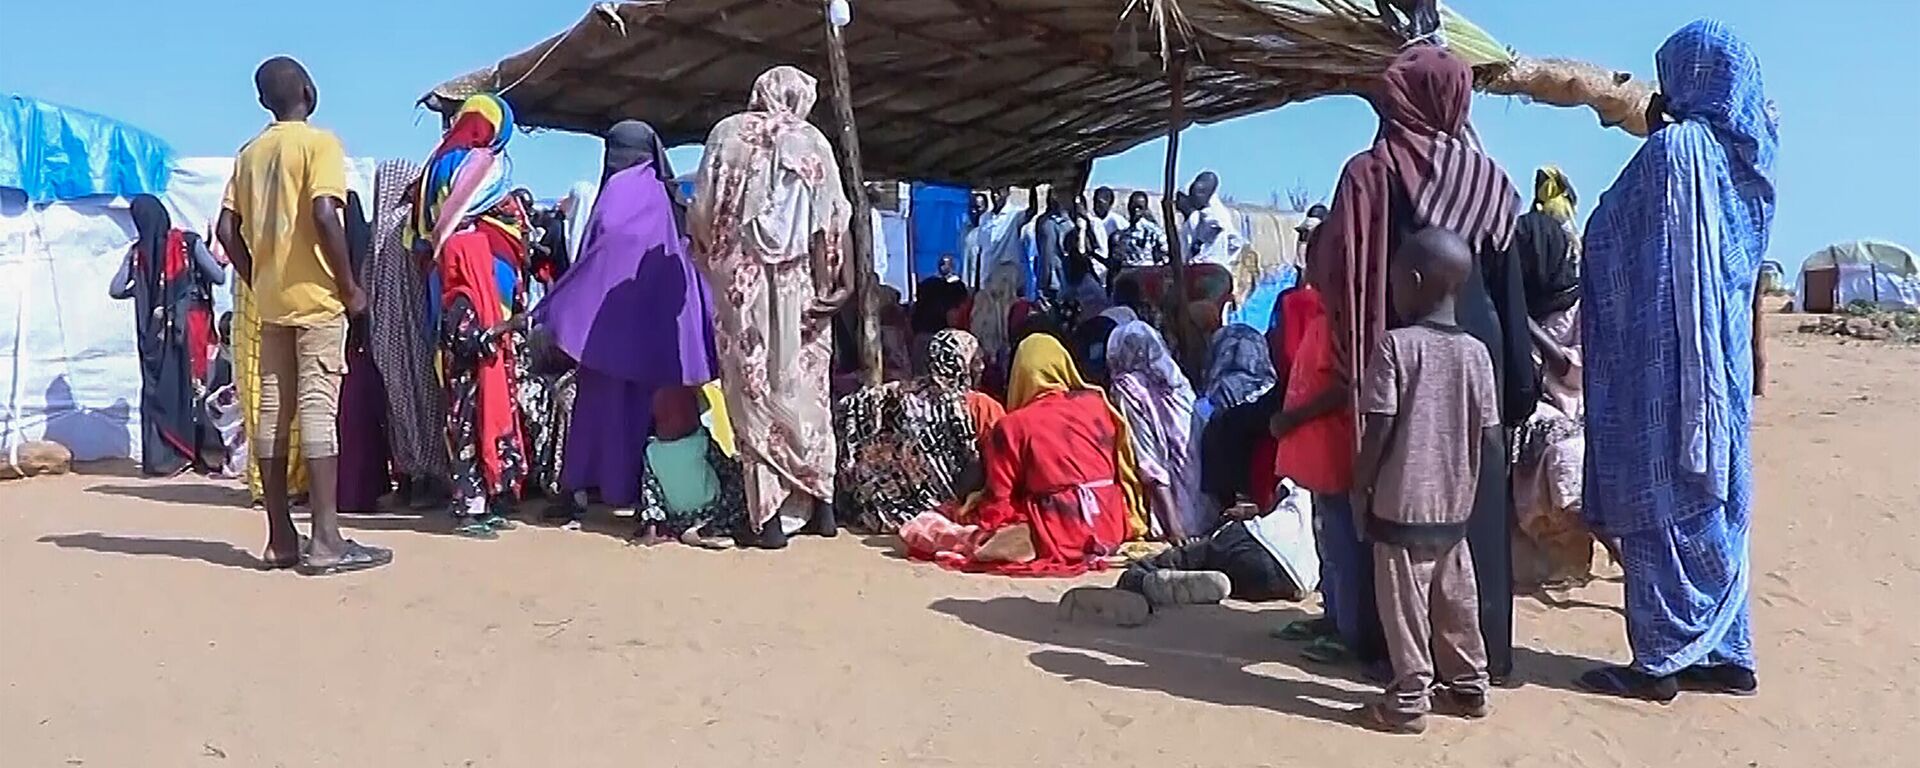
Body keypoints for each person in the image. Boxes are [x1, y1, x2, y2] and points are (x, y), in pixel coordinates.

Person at [1277, 45, 1533, 679]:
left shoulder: (1372, 173)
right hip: (1480, 346)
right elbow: (1510, 287)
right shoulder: (1491, 181)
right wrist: (1519, 382)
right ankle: (1480, 658)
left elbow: (1330, 271)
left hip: (1396, 349)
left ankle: (1397, 658)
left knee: (1395, 493)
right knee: (1472, 495)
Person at [1575, 20, 1775, 702]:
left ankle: (1660, 658)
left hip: (1667, 360)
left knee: (1663, 492)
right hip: (1719, 362)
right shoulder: (1749, 162)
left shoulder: (1678, 154)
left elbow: (1608, 230)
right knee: (1713, 497)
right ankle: (1727, 651)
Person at [215, 56, 389, 574]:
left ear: (263, 101)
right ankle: (327, 540)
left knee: (272, 414)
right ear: (309, 91)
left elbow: (227, 230)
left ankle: (280, 539)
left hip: (272, 308)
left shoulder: (249, 154)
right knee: (317, 411)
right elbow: (324, 213)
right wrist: (350, 288)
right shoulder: (320, 145)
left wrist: (259, 279)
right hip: (316, 303)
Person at [688, 66, 854, 549]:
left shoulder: (726, 135)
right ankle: (823, 507)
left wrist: (713, 263)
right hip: (802, 287)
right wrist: (836, 284)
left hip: (744, 291)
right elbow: (834, 221)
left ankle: (770, 522)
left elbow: (701, 214)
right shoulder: (815, 142)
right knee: (807, 392)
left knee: (752, 393)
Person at [1351, 227, 1500, 734]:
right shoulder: (1477, 354)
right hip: (1455, 506)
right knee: (1455, 597)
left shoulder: (1395, 346)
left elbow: (1380, 426)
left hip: (1400, 504)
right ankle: (1468, 685)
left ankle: (1410, 697)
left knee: (1404, 604)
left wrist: (1360, 484)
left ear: (1412, 281)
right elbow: (1492, 435)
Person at [536, 121, 718, 523]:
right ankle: (646, 493)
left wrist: (562, 306)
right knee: (649, 413)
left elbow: (593, 260)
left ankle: (582, 487)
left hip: (605, 331)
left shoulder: (613, 193)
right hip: (656, 333)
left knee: (596, 412)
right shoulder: (665, 194)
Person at [911, 335, 1145, 576]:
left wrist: (972, 514)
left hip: (1063, 530)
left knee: (931, 526)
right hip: (1111, 522)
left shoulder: (1013, 426)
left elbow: (998, 503)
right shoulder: (1096, 403)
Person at [1510, 165, 1594, 589]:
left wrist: (1531, 330)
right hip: (1531, 407)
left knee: (1566, 451)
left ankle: (1584, 552)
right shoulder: (1510, 302)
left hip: (1577, 405)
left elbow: (1575, 372)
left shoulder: (1581, 303)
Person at [834, 330, 997, 532]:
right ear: (963, 363)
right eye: (976, 360)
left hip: (889, 508)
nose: (981, 367)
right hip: (956, 505)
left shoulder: (898, 397)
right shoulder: (981, 406)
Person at [111, 195, 226, 476]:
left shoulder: (138, 253)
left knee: (160, 393)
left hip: (154, 338)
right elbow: (218, 278)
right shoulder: (187, 243)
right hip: (189, 328)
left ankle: (163, 459)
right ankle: (202, 455)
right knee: (195, 387)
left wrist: (140, 288)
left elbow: (115, 289)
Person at [367, 158, 451, 509]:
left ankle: (410, 478)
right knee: (426, 400)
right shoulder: (408, 225)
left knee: (398, 406)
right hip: (414, 329)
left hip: (383, 334)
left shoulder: (375, 230)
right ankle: (430, 477)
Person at [1106, 322, 1200, 542]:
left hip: (1172, 515)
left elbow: (1149, 460)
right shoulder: (1176, 379)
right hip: (1202, 503)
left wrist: (1174, 528)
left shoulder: (1128, 389)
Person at [632, 386, 744, 549]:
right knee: (740, 482)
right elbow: (726, 470)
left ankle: (690, 531)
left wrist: (652, 527)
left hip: (677, 520)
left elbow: (651, 495)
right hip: (713, 512)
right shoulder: (701, 442)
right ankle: (708, 531)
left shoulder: (652, 451)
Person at [964, 187, 1031, 290]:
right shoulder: (985, 218)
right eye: (993, 191)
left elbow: (1032, 211)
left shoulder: (1015, 214)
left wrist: (1034, 188)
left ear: (1007, 193)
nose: (995, 195)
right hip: (986, 274)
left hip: (1005, 272)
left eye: (999, 191)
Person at [1183, 171, 1246, 268]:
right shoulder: (1196, 217)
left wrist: (1198, 247)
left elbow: (1215, 228)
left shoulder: (1212, 214)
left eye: (1200, 192)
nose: (1194, 197)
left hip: (1207, 270)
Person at [1032, 189, 1074, 301]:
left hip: (1065, 277)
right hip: (1046, 276)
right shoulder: (1043, 221)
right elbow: (1042, 250)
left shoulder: (1071, 222)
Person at [1111, 191, 1169, 272]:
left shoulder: (1154, 232)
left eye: (1140, 207)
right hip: (1127, 275)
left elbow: (1165, 253)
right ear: (1128, 206)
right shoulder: (1122, 234)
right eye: (1133, 207)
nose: (1136, 210)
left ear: (1145, 209)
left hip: (1148, 273)